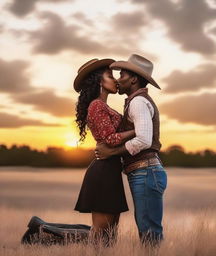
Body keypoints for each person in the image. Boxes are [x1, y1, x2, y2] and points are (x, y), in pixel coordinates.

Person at [95, 54, 167, 246]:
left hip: (146, 171)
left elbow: (143, 140)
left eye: (122, 75)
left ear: (134, 78)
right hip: (145, 171)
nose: (118, 79)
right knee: (147, 228)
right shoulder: (137, 101)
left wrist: (111, 152)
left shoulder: (138, 102)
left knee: (149, 231)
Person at [73, 58, 135, 246]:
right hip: (103, 171)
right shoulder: (97, 105)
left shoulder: (103, 105)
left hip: (110, 169)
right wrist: (138, 130)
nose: (115, 80)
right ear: (99, 81)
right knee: (101, 234)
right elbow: (110, 138)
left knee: (110, 235)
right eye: (110, 76)